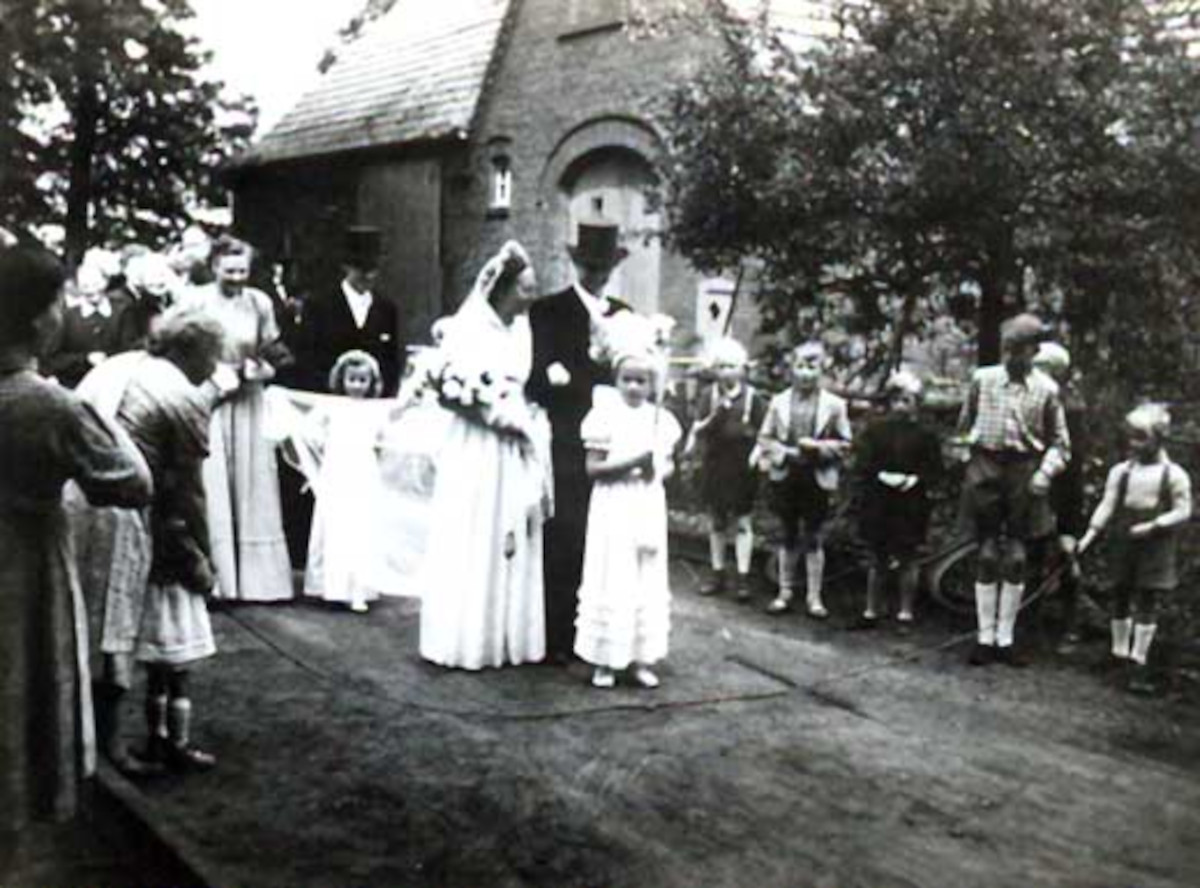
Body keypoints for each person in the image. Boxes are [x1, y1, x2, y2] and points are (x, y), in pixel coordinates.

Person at [0, 246, 152, 841]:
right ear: (39, 319)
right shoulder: (52, 405)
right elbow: (131, 481)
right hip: (27, 566)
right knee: (22, 682)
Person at [417, 241, 552, 669]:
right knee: (475, 529)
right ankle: (468, 638)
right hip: (476, 445)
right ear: (503, 288)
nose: (530, 298)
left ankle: (510, 638)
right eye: (525, 289)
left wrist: (524, 416)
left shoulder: (523, 330)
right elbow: (449, 394)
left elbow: (524, 386)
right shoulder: (467, 329)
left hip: (512, 445)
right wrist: (491, 414)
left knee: (511, 530)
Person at [527, 219, 631, 662]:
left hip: (612, 444)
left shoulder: (625, 315)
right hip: (567, 440)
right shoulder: (550, 311)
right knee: (565, 534)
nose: (598, 274)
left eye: (604, 266)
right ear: (576, 265)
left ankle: (598, 635)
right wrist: (568, 385)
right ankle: (558, 637)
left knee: (604, 538)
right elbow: (536, 379)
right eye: (590, 266)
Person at [958, 313, 1070, 667]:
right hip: (986, 466)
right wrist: (967, 460)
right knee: (988, 554)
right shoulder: (983, 380)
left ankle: (1006, 639)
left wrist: (1045, 473)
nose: (1010, 357)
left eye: (1019, 351)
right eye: (1007, 349)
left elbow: (1061, 444)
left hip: (1024, 470)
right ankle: (984, 637)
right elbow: (963, 428)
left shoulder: (1047, 390)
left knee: (1018, 557)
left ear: (1034, 352)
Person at [188, 235, 294, 602]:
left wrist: (261, 367)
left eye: (242, 271)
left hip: (248, 399)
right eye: (229, 270)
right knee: (212, 480)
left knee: (252, 483)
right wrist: (211, 373)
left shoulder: (259, 302)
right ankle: (216, 579)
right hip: (212, 397)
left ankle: (256, 581)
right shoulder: (196, 299)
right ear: (214, 266)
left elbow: (273, 348)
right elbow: (180, 349)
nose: (236, 278)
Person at [574, 341, 682, 689]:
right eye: (627, 379)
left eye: (641, 381)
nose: (634, 387)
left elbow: (666, 468)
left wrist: (656, 471)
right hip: (613, 504)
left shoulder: (661, 420)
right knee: (613, 574)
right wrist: (634, 462)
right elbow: (593, 469)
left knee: (644, 576)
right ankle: (605, 660)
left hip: (646, 502)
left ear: (653, 385)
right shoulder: (603, 415)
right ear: (616, 380)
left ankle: (639, 658)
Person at [1078, 404, 1192, 694]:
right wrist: (1090, 535)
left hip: (1155, 543)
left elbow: (1183, 510)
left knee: (1147, 597)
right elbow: (1108, 502)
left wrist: (1155, 525)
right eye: (1132, 437)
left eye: (1141, 437)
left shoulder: (1174, 474)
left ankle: (1138, 659)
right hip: (1124, 538)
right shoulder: (1122, 471)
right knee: (1120, 591)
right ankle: (1118, 653)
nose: (1134, 444)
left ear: (1159, 438)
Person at [755, 340, 852, 618]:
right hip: (787, 474)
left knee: (814, 536)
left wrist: (819, 447)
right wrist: (783, 452)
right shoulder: (779, 401)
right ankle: (784, 591)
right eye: (800, 366)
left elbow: (846, 443)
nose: (806, 373)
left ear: (823, 369)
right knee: (787, 533)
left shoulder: (834, 405)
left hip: (816, 476)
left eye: (813, 367)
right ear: (791, 369)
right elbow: (764, 437)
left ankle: (814, 597)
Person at [851, 369, 943, 630]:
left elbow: (935, 469)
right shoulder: (876, 431)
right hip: (880, 500)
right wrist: (881, 475)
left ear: (917, 404)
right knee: (877, 556)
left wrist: (914, 480)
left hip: (910, 502)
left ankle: (905, 611)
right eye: (896, 400)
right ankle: (871, 609)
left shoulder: (926, 435)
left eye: (907, 400)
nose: (901, 406)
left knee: (908, 556)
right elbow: (863, 463)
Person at [303, 350, 389, 613]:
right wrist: (317, 460)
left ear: (371, 383)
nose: (357, 386)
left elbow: (384, 437)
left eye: (363, 381)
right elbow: (309, 431)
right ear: (342, 379)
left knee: (360, 525)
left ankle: (359, 588)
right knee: (335, 523)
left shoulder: (374, 410)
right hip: (336, 470)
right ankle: (330, 586)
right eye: (352, 379)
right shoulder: (330, 406)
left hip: (362, 471)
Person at [685, 336, 767, 601]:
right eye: (721, 367)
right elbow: (697, 428)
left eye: (732, 366)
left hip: (742, 464)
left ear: (743, 369)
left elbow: (766, 433)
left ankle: (743, 577)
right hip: (716, 461)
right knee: (717, 520)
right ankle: (717, 572)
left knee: (743, 521)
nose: (727, 372)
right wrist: (715, 415)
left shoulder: (754, 398)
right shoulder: (709, 396)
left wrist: (757, 455)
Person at [1030, 342, 1090, 652]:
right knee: (1032, 553)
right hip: (1036, 486)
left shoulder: (1070, 405)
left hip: (1064, 489)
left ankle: (1071, 625)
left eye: (1041, 368)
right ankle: (1031, 624)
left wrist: (1062, 505)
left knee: (1067, 554)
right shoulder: (1035, 397)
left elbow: (1072, 458)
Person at [300, 226, 402, 396]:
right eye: (362, 269)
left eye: (373, 269)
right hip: (328, 406)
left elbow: (391, 364)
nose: (369, 276)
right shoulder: (319, 305)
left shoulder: (386, 309)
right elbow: (308, 360)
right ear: (346, 267)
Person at [43, 258, 127, 387]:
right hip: (78, 387)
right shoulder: (67, 317)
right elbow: (52, 360)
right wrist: (85, 359)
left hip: (117, 385)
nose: (90, 290)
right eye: (85, 286)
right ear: (78, 287)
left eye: (95, 284)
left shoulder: (122, 312)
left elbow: (131, 350)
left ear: (105, 282)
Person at [116, 250, 181, 352]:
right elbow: (129, 344)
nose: (159, 281)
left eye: (162, 275)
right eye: (153, 275)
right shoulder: (134, 310)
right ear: (142, 279)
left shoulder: (175, 303)